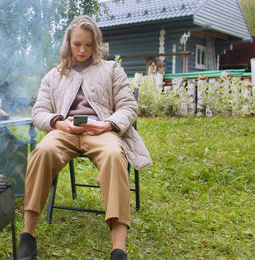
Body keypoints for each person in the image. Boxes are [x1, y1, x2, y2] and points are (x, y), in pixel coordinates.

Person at [12, 15, 153, 260]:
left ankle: (118, 249)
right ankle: (28, 237)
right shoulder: (53, 75)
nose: (83, 50)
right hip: (64, 132)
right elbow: (39, 112)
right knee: (41, 153)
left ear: (96, 44)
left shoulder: (111, 69)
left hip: (101, 131)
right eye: (77, 44)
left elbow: (129, 107)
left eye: (88, 45)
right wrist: (58, 122)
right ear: (68, 43)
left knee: (113, 155)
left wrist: (108, 124)